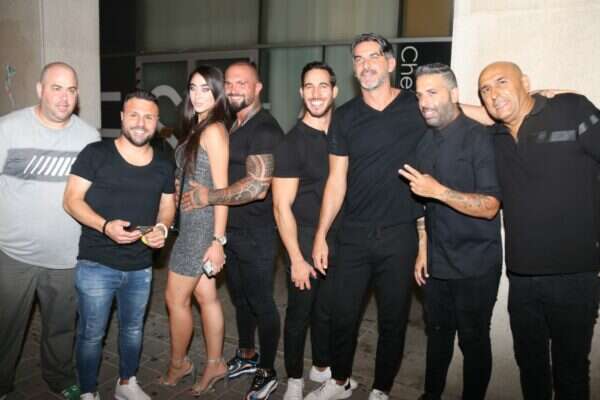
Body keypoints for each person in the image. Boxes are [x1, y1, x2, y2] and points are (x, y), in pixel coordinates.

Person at [306, 33, 427, 400]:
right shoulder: (344, 117)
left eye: (373, 56)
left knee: (393, 319)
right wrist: (320, 234)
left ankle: (381, 389)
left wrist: (525, 105)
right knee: (342, 315)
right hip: (354, 234)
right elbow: (336, 181)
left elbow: (459, 109)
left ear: (390, 63)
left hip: (399, 234)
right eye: (358, 59)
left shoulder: (416, 105)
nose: (365, 64)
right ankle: (340, 381)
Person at [477, 61, 600, 400]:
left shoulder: (571, 110)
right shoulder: (494, 137)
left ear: (526, 82)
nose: (493, 94)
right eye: (485, 90)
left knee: (571, 373)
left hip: (574, 275)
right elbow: (459, 112)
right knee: (531, 370)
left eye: (501, 82)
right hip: (521, 278)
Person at [180, 60, 283, 400]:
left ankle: (267, 370)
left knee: (261, 302)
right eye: (230, 83)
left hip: (257, 235)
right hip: (231, 232)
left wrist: (207, 196)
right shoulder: (232, 124)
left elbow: (257, 187)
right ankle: (247, 354)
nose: (235, 88)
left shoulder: (264, 128)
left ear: (258, 88)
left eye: (243, 82)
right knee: (240, 299)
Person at [63, 90, 176, 400]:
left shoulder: (164, 164)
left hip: (140, 266)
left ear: (157, 122)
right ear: (123, 117)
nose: (141, 123)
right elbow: (71, 200)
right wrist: (104, 226)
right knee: (91, 335)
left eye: (149, 117)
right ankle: (88, 391)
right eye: (135, 115)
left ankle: (126, 383)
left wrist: (162, 228)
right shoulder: (95, 153)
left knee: (133, 329)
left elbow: (168, 206)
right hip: (96, 263)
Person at [398, 63, 502, 400]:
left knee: (473, 341)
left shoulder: (479, 138)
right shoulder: (424, 143)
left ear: (454, 94)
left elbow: (490, 206)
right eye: (419, 95)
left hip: (476, 264)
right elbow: (421, 205)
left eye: (432, 93)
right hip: (437, 263)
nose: (424, 102)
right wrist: (422, 247)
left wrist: (439, 191)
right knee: (437, 336)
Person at [0, 62, 100, 400]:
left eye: (71, 90)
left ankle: (59, 377)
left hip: (67, 257)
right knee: (5, 327)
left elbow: (95, 194)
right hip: (13, 255)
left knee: (62, 327)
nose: (64, 97)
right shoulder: (8, 129)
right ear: (40, 90)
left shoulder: (88, 137)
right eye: (56, 88)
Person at [272, 62, 357, 400]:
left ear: (335, 91)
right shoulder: (291, 143)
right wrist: (296, 257)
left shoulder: (344, 133)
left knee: (328, 311)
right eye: (309, 86)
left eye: (323, 86)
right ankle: (294, 379)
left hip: (342, 236)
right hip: (305, 236)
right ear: (301, 92)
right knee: (300, 313)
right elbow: (281, 207)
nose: (316, 93)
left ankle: (321, 367)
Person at [159, 66, 229, 396]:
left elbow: (222, 191)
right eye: (193, 88)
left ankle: (179, 364)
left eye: (206, 88)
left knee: (175, 299)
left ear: (218, 93)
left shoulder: (213, 130)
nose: (198, 95)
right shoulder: (199, 126)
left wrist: (217, 240)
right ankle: (215, 363)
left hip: (200, 227)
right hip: (192, 221)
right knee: (206, 297)